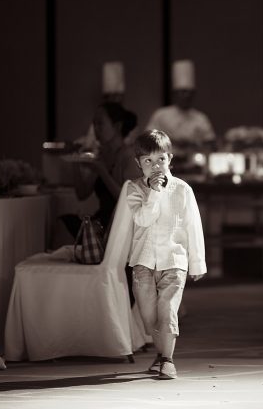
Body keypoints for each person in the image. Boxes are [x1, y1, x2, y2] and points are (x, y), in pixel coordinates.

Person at [127, 129, 206, 379]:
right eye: (148, 161)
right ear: (138, 163)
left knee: (168, 311)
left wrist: (197, 263)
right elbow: (143, 218)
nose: (155, 166)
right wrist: (154, 192)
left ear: (170, 159)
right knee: (149, 316)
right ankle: (160, 355)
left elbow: (193, 226)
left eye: (160, 159)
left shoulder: (183, 189)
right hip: (143, 262)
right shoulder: (134, 189)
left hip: (174, 260)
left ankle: (168, 359)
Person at [64, 102, 142, 237]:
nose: (95, 129)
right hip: (102, 219)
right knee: (63, 223)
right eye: (94, 124)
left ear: (117, 126)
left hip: (121, 224)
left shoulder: (129, 156)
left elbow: (130, 200)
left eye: (100, 124)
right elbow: (82, 194)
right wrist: (75, 161)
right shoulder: (102, 155)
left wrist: (102, 172)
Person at [145, 60, 216, 157]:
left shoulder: (201, 118)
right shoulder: (161, 115)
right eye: (182, 92)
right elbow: (148, 140)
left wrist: (192, 144)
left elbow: (211, 144)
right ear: (174, 94)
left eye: (189, 92)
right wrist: (171, 141)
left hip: (193, 162)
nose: (186, 96)